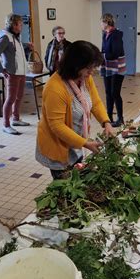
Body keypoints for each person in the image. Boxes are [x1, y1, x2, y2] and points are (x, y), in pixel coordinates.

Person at [36, 40, 115, 179]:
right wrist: (85, 143)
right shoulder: (55, 88)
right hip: (58, 145)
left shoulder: (84, 78)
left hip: (76, 142)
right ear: (75, 65)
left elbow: (95, 102)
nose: (91, 72)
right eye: (88, 68)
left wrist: (106, 122)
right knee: (65, 188)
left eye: (93, 67)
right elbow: (57, 126)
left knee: (77, 178)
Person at [0, 13, 33, 135]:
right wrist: (2, 70)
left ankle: (16, 119)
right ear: (13, 25)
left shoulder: (14, 37)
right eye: (20, 24)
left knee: (19, 97)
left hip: (21, 72)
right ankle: (6, 125)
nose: (21, 27)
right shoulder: (5, 37)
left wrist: (27, 46)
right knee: (10, 99)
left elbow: (16, 52)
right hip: (12, 73)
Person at [100, 13, 126, 127]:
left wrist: (103, 56)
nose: (100, 25)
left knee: (115, 93)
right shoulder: (105, 34)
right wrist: (101, 56)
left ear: (106, 22)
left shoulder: (116, 35)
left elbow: (116, 53)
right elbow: (103, 50)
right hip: (107, 67)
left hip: (117, 69)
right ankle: (108, 117)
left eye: (101, 22)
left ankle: (120, 119)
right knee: (107, 93)